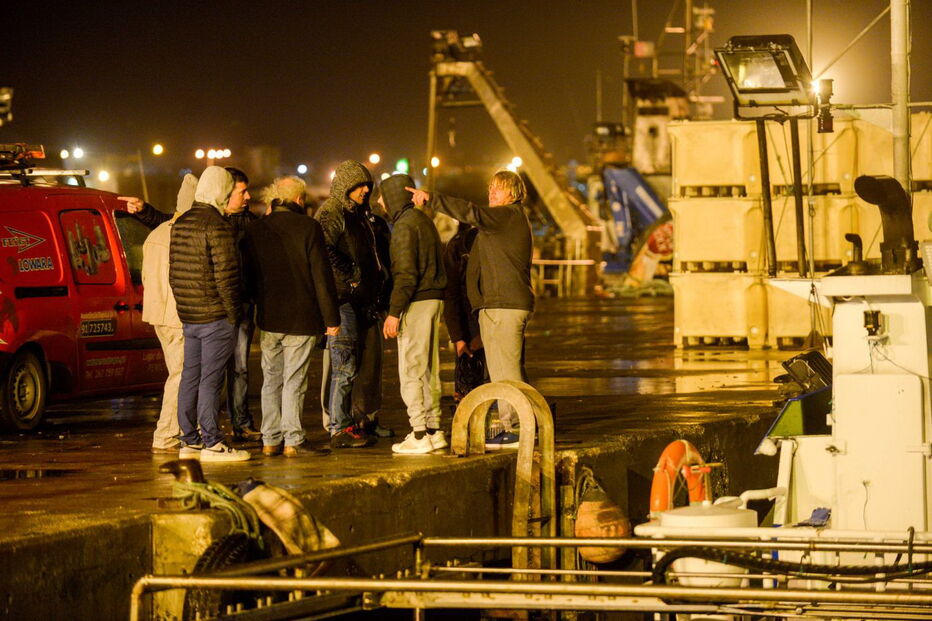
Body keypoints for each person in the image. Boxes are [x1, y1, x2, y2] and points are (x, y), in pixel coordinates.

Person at [407, 170, 533, 450]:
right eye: (490, 187)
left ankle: (519, 430)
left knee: (508, 372)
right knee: (501, 373)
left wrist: (432, 199)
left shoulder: (508, 216)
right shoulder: (500, 223)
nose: (492, 193)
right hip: (495, 306)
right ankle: (515, 427)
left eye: (498, 189)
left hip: (506, 306)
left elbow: (472, 212)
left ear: (513, 193)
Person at [242, 176, 340, 457]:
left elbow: (249, 276)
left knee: (271, 379)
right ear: (299, 199)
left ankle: (270, 439)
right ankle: (293, 439)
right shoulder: (309, 228)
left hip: (269, 318)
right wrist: (331, 319)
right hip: (302, 317)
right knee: (294, 380)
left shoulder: (256, 229)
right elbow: (321, 276)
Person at [169, 166, 250, 461]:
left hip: (189, 316)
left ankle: (188, 440)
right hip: (215, 316)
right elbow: (226, 277)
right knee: (211, 380)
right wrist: (234, 314)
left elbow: (174, 273)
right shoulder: (217, 226)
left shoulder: (181, 222)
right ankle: (212, 441)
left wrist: (183, 308)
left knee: (190, 376)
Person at [316, 160, 384, 449]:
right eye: (360, 185)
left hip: (358, 301)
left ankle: (347, 423)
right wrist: (352, 275)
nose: (366, 189)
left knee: (351, 365)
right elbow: (325, 250)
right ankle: (338, 427)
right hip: (342, 300)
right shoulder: (332, 212)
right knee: (343, 366)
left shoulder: (357, 213)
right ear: (346, 185)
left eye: (367, 184)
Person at [378, 174, 447, 454]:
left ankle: (419, 433)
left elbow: (405, 274)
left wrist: (394, 313)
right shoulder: (424, 221)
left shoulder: (404, 227)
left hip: (416, 302)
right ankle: (434, 428)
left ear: (394, 196)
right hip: (434, 299)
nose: (380, 202)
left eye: (383, 196)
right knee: (430, 369)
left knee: (411, 369)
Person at [139, 174, 198, 453]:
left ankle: (180, 429)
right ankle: (166, 433)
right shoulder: (185, 235)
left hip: (159, 315)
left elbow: (147, 278)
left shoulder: (157, 233)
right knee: (181, 375)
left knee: (179, 373)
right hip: (178, 315)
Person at [222, 167, 262, 443]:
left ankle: (240, 421)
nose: (248, 196)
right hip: (215, 309)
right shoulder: (211, 221)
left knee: (239, 367)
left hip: (244, 304)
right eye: (242, 191)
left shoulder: (253, 225)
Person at [443, 221, 487, 402]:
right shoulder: (457, 246)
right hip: (468, 313)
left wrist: (484, 334)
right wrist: (458, 339)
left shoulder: (486, 243)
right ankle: (465, 399)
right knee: (468, 363)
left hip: (487, 313)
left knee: (484, 369)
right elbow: (451, 295)